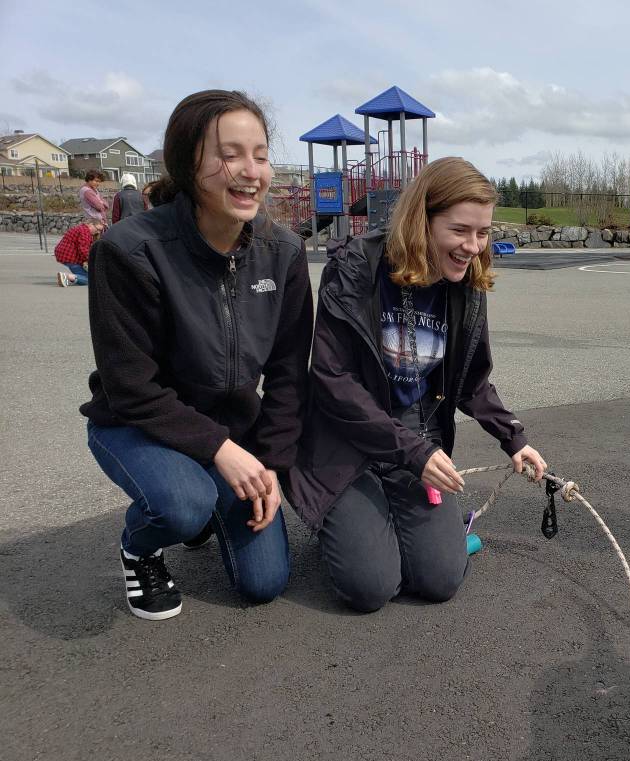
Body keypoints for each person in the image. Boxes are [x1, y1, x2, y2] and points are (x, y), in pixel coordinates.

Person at [81, 89, 314, 620]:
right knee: (180, 506)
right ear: (187, 162)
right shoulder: (127, 251)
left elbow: (286, 375)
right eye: (228, 154)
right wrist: (222, 451)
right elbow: (131, 388)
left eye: (259, 154)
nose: (249, 170)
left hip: (230, 432)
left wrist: (270, 464)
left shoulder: (284, 251)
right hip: (135, 423)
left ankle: (205, 498)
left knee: (265, 584)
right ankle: (140, 547)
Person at [286, 156, 547, 613]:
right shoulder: (355, 269)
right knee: (370, 588)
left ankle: (426, 530)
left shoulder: (464, 284)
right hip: (347, 443)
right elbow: (332, 380)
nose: (472, 246)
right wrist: (415, 453)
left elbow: (471, 378)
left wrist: (513, 438)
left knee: (440, 579)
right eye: (459, 230)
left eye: (482, 232)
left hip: (416, 438)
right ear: (421, 219)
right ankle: (339, 519)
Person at [55, 219, 105, 286]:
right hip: (70, 256)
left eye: (100, 231)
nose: (98, 232)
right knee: (90, 280)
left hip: (65, 253)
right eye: (97, 229)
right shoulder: (85, 232)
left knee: (87, 275)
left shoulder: (82, 228)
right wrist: (92, 260)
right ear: (91, 224)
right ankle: (67, 276)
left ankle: (69, 277)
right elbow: (83, 249)